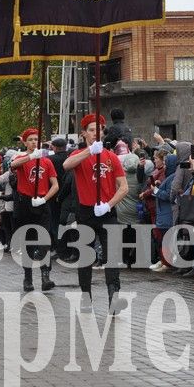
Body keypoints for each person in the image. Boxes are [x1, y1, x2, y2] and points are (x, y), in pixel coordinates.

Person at [62, 114, 128, 313]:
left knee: (112, 255)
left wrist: (108, 205)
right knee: (86, 257)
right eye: (91, 130)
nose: (95, 133)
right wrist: (89, 151)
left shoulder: (111, 156)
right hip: (86, 212)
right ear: (83, 134)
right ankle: (85, 296)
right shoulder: (80, 154)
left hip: (107, 212)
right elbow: (66, 166)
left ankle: (113, 297)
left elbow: (123, 187)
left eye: (99, 129)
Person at [10, 127, 59, 292]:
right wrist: (31, 156)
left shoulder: (47, 162)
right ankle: (28, 277)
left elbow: (55, 185)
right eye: (30, 139)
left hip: (42, 204)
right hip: (25, 205)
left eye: (36, 139)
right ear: (25, 142)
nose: (33, 142)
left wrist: (45, 199)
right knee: (28, 243)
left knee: (45, 240)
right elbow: (13, 164)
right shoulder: (22, 158)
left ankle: (46, 276)